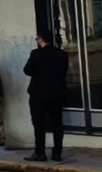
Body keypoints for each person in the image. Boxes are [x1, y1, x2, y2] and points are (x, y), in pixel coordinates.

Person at [24, 30, 69, 162]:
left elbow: (27, 70)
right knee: (57, 123)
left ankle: (40, 152)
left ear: (41, 39)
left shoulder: (36, 53)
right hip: (57, 93)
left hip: (39, 94)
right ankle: (57, 152)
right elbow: (64, 70)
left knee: (39, 124)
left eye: (37, 39)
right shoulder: (62, 54)